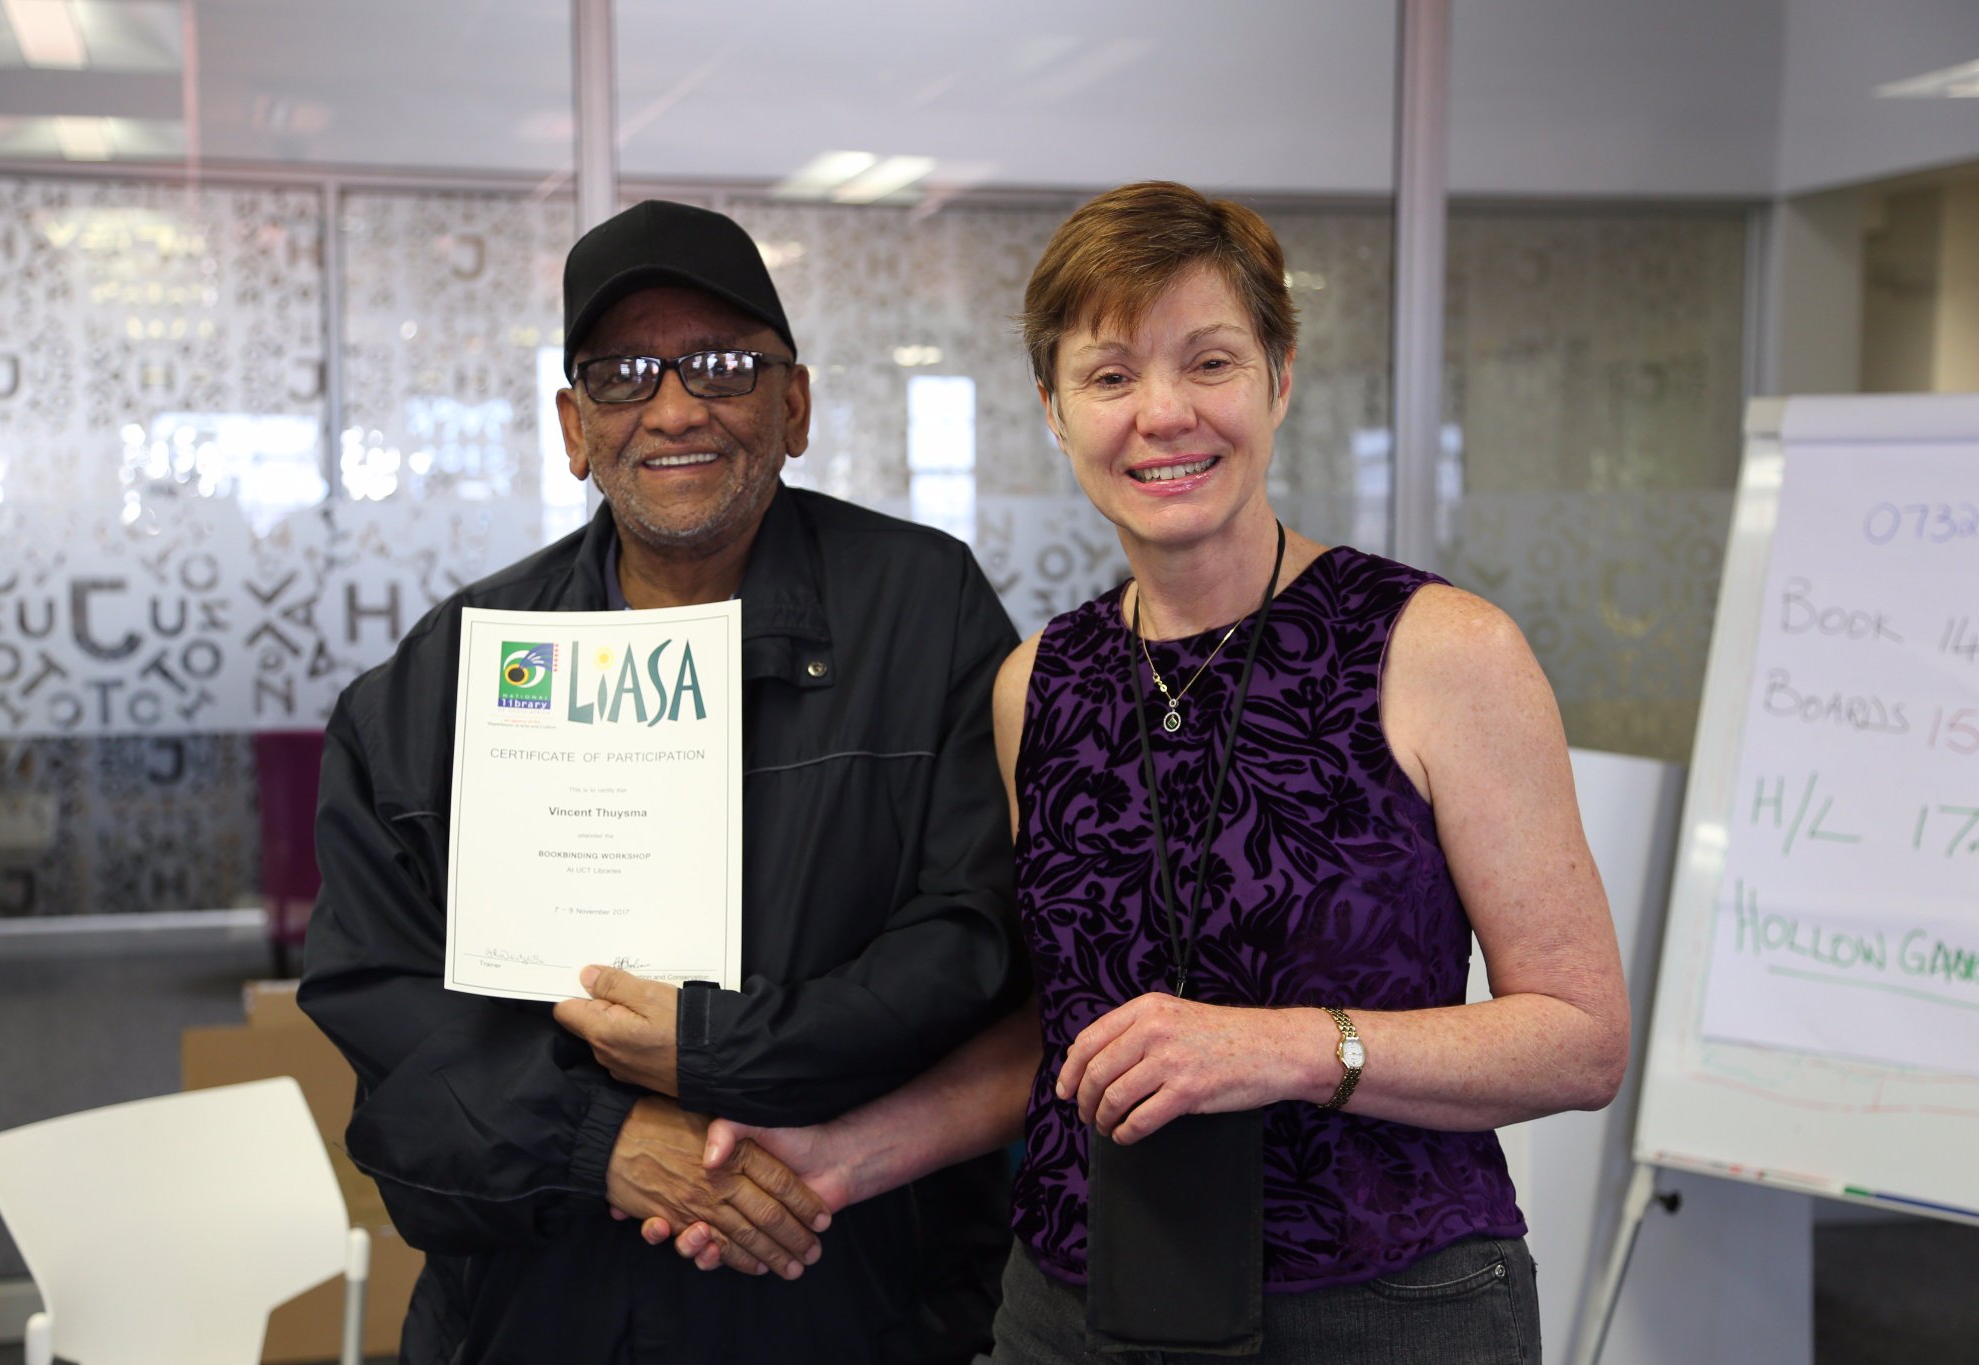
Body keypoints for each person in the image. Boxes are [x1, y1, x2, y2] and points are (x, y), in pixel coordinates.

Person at [646, 182, 1630, 1365]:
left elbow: (1578, 1040)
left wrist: (1281, 1047)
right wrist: (844, 1156)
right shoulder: (1035, 686)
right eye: (1109, 376)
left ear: (1278, 375)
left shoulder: (1438, 650)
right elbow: (1056, 1047)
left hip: (1383, 1309)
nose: (1161, 414)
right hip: (1071, 1307)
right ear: (1055, 414)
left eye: (1207, 361)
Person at [298, 198, 1027, 1364]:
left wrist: (709, 1048)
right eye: (624, 372)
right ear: (573, 426)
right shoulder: (449, 673)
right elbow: (389, 1016)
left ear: (792, 406)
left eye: (722, 364)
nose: (675, 406)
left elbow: (973, 944)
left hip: (855, 1295)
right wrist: (604, 1141)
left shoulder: (925, 614)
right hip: (538, 1314)